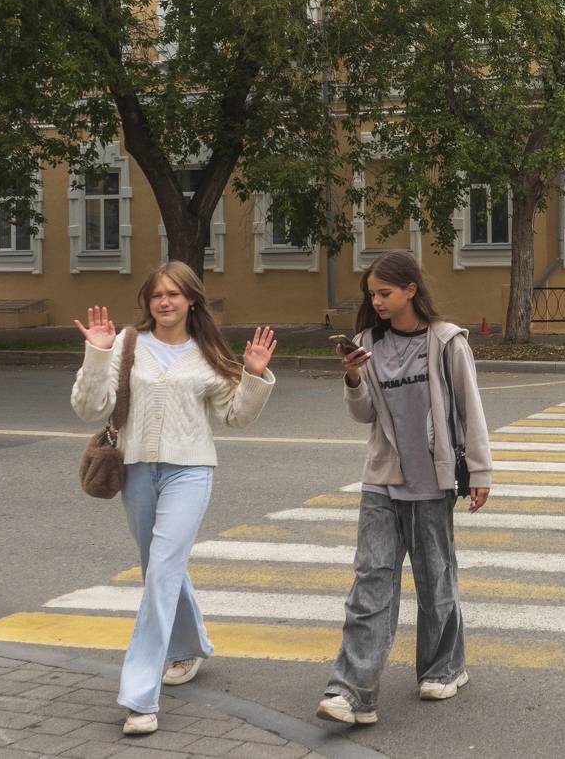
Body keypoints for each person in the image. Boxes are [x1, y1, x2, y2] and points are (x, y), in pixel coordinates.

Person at [71, 261, 276, 737]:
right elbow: (88, 408)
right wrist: (97, 354)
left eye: (174, 294)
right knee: (158, 567)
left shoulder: (208, 352)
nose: (165, 302)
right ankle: (187, 646)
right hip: (137, 471)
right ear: (148, 301)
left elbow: (235, 416)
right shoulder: (127, 344)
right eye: (157, 294)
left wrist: (253, 376)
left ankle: (139, 696)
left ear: (191, 300)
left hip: (190, 472)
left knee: (162, 571)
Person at [317, 249, 492, 726]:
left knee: (436, 580)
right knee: (370, 581)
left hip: (432, 481)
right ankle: (352, 692)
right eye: (372, 294)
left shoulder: (446, 342)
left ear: (411, 290)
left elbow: (470, 409)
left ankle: (443, 668)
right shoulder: (366, 342)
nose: (376, 301)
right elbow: (364, 414)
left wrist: (480, 473)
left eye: (385, 292)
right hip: (382, 479)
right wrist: (353, 375)